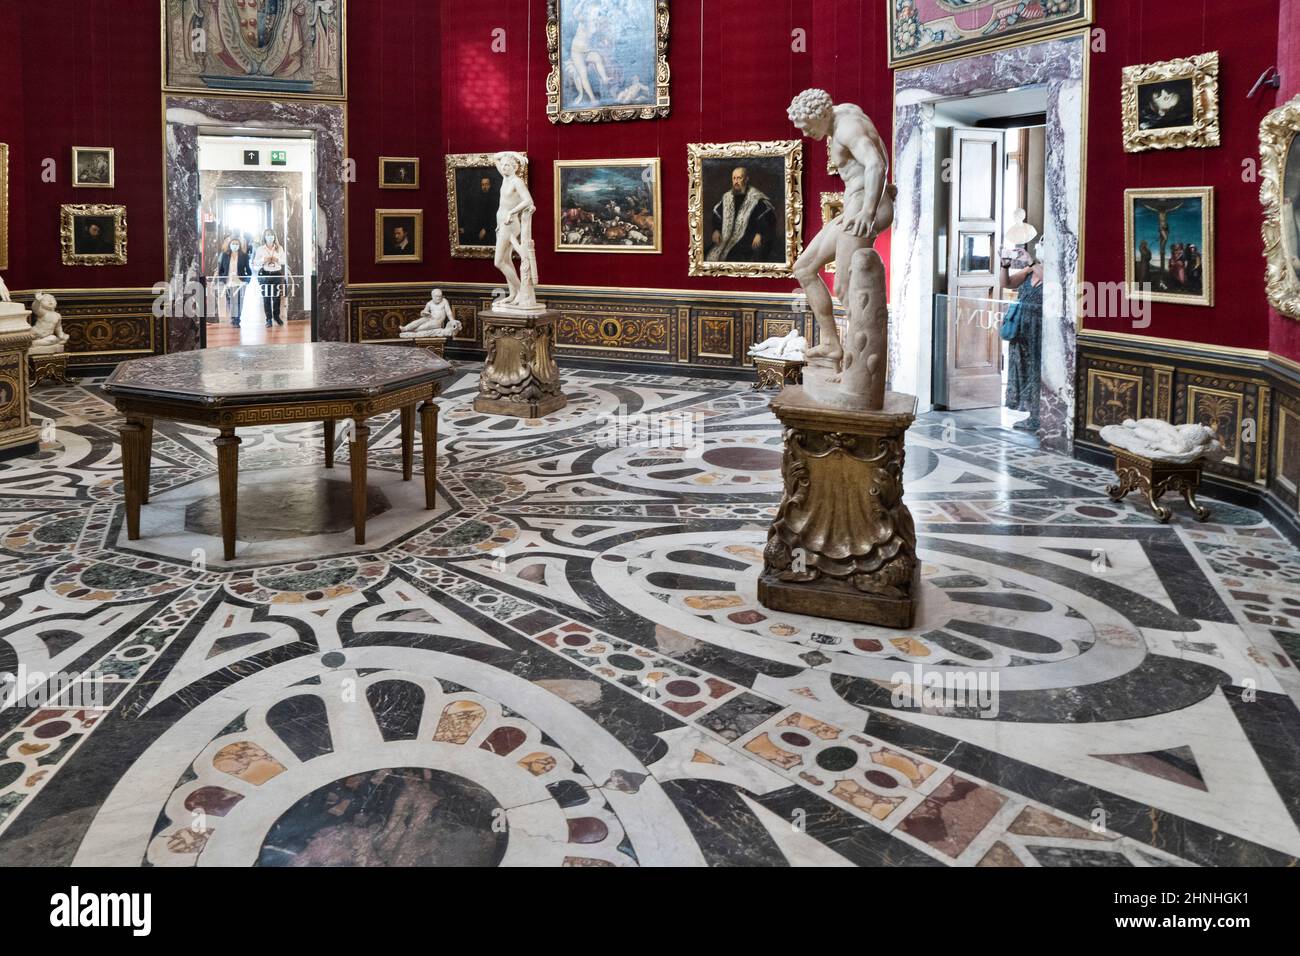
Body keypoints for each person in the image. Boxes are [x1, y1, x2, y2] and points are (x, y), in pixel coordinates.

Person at [787, 88, 895, 365]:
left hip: (865, 209)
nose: (806, 134)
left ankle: (857, 365)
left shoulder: (847, 127)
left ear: (820, 115)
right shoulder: (842, 113)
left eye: (807, 127)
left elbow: (875, 164)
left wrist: (868, 212)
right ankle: (830, 344)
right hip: (855, 207)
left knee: (847, 288)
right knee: (804, 267)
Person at [1000, 246, 1044, 433]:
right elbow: (1007, 283)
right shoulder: (1030, 270)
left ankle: (1039, 416)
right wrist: (1004, 266)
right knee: (1022, 368)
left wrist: (1031, 261)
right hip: (1021, 328)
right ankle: (1031, 414)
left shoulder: (1055, 271)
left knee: (1037, 370)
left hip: (1040, 328)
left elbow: (1048, 280)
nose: (1039, 248)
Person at [707, 166, 778, 264]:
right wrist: (716, 230)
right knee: (708, 252)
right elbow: (717, 215)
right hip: (726, 237)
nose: (736, 181)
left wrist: (760, 233)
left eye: (739, 178)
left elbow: (768, 218)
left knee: (735, 256)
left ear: (746, 179)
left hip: (747, 239)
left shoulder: (755, 198)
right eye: (734, 178)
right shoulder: (727, 197)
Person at [253, 230, 288, 328]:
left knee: (277, 298)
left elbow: (284, 261)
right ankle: (268, 319)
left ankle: (276, 317)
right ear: (264, 237)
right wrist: (263, 260)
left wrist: (277, 260)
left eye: (272, 235)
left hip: (277, 274)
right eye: (268, 235)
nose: (270, 237)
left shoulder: (279, 248)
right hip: (265, 275)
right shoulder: (260, 249)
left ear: (274, 236)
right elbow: (255, 263)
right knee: (266, 298)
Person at [216, 237, 251, 327]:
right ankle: (233, 316)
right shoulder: (224, 255)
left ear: (239, 245)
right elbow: (220, 269)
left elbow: (248, 270)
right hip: (228, 282)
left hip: (240, 282)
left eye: (236, 244)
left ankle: (237, 320)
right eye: (233, 244)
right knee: (231, 301)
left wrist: (247, 280)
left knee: (239, 301)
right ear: (229, 245)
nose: (235, 245)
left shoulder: (244, 256)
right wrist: (221, 279)